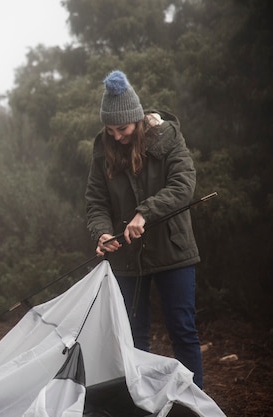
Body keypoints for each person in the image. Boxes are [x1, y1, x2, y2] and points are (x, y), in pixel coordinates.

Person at [85, 70, 204, 389]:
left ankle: (193, 403)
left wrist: (144, 213)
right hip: (127, 260)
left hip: (173, 251)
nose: (117, 136)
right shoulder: (103, 148)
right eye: (110, 130)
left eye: (122, 128)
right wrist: (102, 233)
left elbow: (183, 185)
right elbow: (96, 201)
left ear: (137, 120)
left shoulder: (168, 137)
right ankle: (140, 403)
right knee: (133, 337)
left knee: (183, 331)